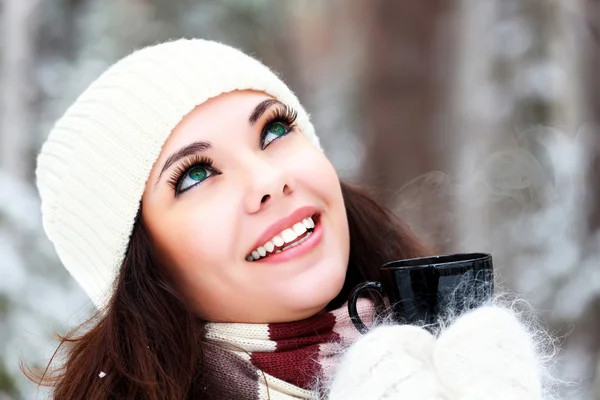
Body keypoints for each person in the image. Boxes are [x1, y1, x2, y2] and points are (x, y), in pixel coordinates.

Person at [32, 39, 551, 399]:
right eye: (194, 175)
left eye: (275, 130)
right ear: (143, 268)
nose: (267, 180)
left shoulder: (457, 360)